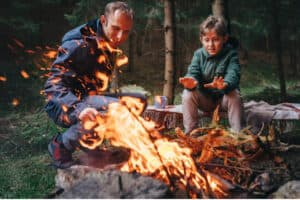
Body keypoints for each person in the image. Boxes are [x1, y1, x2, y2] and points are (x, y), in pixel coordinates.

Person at [44, 1, 147, 169]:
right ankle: (60, 146)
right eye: (116, 28)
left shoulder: (107, 40)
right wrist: (79, 109)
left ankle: (90, 146)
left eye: (126, 31)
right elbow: (52, 86)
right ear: (103, 20)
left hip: (86, 97)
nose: (120, 37)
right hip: (63, 104)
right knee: (113, 110)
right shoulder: (78, 44)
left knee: (138, 101)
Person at [179, 15, 245, 135]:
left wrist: (225, 84)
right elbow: (193, 72)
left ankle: (239, 135)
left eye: (215, 40)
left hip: (224, 100)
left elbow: (233, 73)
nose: (211, 45)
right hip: (205, 100)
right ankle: (191, 133)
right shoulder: (198, 55)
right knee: (187, 94)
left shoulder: (231, 54)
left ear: (225, 38)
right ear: (201, 39)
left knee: (234, 94)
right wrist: (191, 82)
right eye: (207, 40)